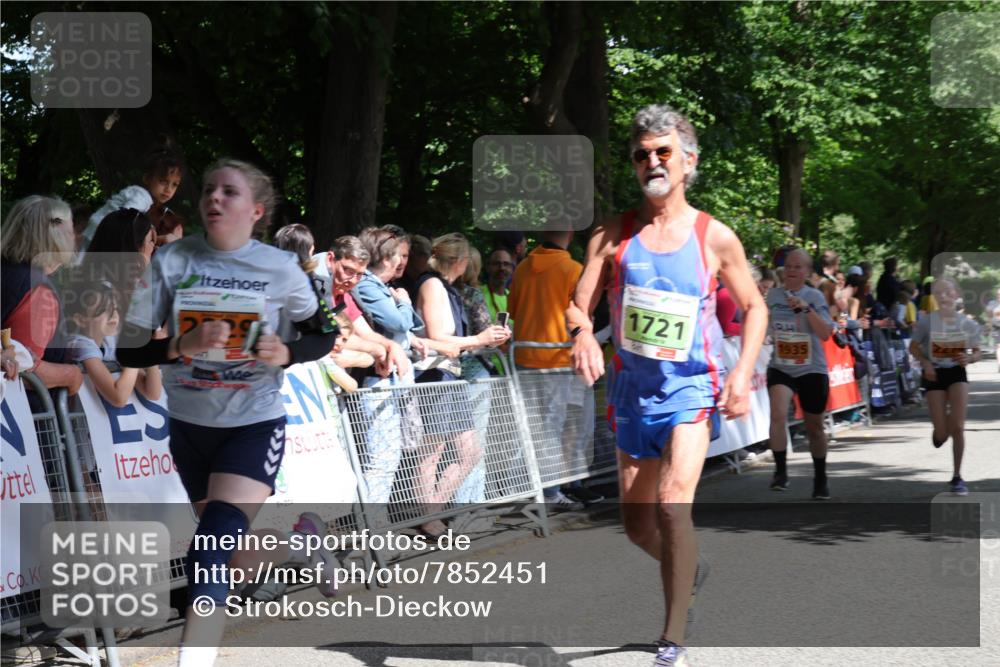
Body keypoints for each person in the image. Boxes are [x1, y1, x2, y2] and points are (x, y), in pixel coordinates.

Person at [117, 159, 341, 666]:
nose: (214, 198)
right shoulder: (171, 262)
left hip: (253, 424)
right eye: (210, 190)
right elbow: (128, 350)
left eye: (230, 192)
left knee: (210, 551)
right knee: (234, 555)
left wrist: (286, 353)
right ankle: (302, 545)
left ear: (255, 211)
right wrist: (180, 344)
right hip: (191, 428)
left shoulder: (281, 268)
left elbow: (324, 334)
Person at [567, 104, 766, 666]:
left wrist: (743, 371)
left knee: (674, 506)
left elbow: (753, 308)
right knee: (637, 526)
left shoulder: (715, 236)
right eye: (641, 154)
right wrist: (583, 335)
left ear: (688, 161)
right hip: (632, 394)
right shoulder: (611, 234)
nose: (652, 162)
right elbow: (577, 305)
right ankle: (689, 566)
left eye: (663, 152)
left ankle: (672, 634)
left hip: (690, 391)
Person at [414, 233, 509, 536]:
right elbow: (439, 339)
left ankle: (432, 511)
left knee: (468, 451)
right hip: (435, 375)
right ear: (459, 261)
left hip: (450, 376)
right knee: (433, 452)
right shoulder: (431, 285)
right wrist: (480, 340)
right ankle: (428, 517)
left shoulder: (446, 288)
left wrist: (481, 340)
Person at [509, 228, 602, 509]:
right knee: (558, 429)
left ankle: (551, 488)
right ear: (571, 234)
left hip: (524, 359)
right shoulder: (574, 270)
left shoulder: (523, 267)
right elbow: (582, 318)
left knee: (537, 430)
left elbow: (513, 311)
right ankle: (552, 494)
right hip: (559, 362)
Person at [764, 249, 837, 499]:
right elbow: (761, 322)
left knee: (814, 427)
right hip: (781, 366)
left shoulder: (814, 295)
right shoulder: (772, 294)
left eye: (798, 267)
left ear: (807, 272)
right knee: (777, 413)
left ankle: (820, 478)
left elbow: (826, 333)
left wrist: (806, 309)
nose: (792, 271)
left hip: (811, 368)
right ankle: (781, 472)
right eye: (789, 266)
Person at [1, 195, 83, 394]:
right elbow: (25, 370)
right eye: (71, 231)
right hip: (23, 417)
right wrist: (72, 375)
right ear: (56, 237)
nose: (76, 237)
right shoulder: (37, 289)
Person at [909, 277, 981, 495]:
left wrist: (969, 359)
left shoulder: (967, 323)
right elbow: (913, 347)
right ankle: (939, 433)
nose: (944, 296)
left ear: (957, 294)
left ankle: (957, 476)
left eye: (948, 292)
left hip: (957, 372)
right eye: (939, 293)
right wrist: (925, 361)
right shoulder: (926, 321)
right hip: (934, 374)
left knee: (958, 427)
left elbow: (977, 351)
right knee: (942, 434)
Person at [66, 280, 162, 407]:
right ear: (80, 319)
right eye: (103, 310)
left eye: (115, 308)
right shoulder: (79, 344)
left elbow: (153, 393)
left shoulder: (110, 341)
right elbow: (118, 398)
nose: (113, 316)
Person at [481, 248, 514, 321]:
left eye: (506, 264)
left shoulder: (513, 298)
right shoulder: (478, 295)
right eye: (496, 264)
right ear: (488, 267)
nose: (502, 268)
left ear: (511, 269)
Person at [984, 286, 1000, 372]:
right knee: (998, 346)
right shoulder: (992, 304)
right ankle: (999, 364)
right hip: (996, 327)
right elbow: (989, 317)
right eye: (998, 294)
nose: (999, 296)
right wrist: (988, 328)